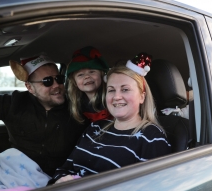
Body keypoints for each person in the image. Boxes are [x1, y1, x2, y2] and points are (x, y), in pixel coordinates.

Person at [0, 53, 87, 177]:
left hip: (62, 179)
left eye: (59, 79)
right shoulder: (15, 103)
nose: (56, 85)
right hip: (18, 173)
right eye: (47, 81)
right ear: (30, 88)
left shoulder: (76, 107)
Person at [49, 52, 172, 184]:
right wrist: (60, 182)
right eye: (111, 90)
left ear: (142, 97)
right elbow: (64, 169)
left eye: (125, 89)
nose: (116, 96)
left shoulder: (151, 137)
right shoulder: (95, 127)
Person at [66, 46, 112, 123]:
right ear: (75, 83)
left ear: (101, 76)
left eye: (92, 72)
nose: (87, 76)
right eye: (80, 75)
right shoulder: (79, 103)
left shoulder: (109, 97)